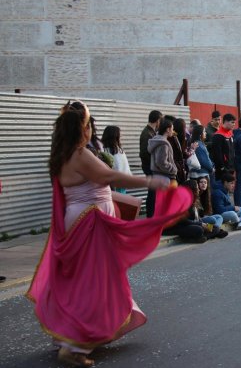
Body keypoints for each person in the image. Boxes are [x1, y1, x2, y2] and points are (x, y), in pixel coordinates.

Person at [27, 101, 191, 367]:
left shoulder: (61, 154)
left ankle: (73, 336)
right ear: (83, 128)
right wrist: (150, 181)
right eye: (90, 125)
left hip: (81, 218)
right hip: (89, 221)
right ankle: (74, 344)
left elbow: (95, 183)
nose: (92, 131)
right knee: (93, 281)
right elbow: (109, 176)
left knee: (84, 279)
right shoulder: (80, 154)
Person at [139, 110, 162, 217]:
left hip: (152, 167)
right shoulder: (147, 134)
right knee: (152, 192)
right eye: (160, 121)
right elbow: (144, 153)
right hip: (150, 167)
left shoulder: (151, 132)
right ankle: (151, 215)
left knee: (154, 192)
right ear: (157, 121)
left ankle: (153, 214)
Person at [101, 125, 132, 194]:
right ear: (115, 137)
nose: (121, 138)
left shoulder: (103, 150)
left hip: (111, 185)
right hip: (119, 184)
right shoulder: (118, 151)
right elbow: (123, 168)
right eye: (120, 136)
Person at [148, 119, 178, 184]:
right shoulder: (163, 144)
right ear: (168, 129)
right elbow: (161, 162)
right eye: (172, 129)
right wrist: (173, 169)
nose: (173, 131)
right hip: (164, 177)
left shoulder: (157, 140)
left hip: (158, 176)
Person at [211, 113, 236, 180]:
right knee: (222, 188)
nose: (234, 124)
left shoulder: (231, 134)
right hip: (223, 169)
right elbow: (217, 154)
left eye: (234, 122)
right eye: (232, 122)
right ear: (225, 122)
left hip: (231, 167)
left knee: (229, 189)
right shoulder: (218, 135)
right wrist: (222, 167)